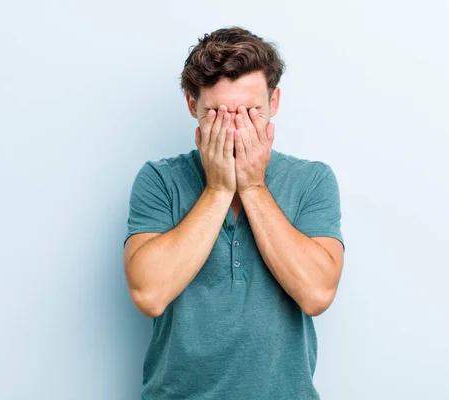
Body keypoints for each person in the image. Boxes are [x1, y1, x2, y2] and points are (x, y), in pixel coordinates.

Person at [123, 26, 345, 400]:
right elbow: (149, 295)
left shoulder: (312, 180)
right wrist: (219, 189)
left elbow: (317, 294)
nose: (234, 127)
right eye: (216, 113)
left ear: (274, 103)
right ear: (192, 105)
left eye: (249, 112)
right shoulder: (159, 180)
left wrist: (254, 187)